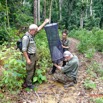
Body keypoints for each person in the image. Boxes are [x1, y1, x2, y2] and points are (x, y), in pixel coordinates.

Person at [22, 19, 49, 89]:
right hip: (29, 56)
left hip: (33, 55)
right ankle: (28, 84)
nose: (36, 32)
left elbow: (39, 29)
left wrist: (45, 22)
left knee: (33, 69)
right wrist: (27, 59)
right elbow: (24, 50)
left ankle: (30, 81)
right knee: (30, 71)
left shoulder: (31, 35)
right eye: (35, 30)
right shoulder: (26, 38)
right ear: (31, 30)